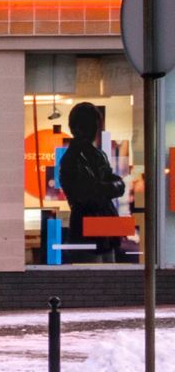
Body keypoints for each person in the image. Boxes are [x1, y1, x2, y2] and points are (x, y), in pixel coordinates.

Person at [58, 101, 126, 261]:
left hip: (105, 229)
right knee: (93, 273)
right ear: (77, 128)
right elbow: (88, 194)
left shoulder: (98, 155)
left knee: (109, 271)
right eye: (90, 126)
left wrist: (104, 187)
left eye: (95, 126)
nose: (94, 131)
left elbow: (116, 184)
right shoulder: (71, 159)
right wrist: (108, 188)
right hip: (87, 229)